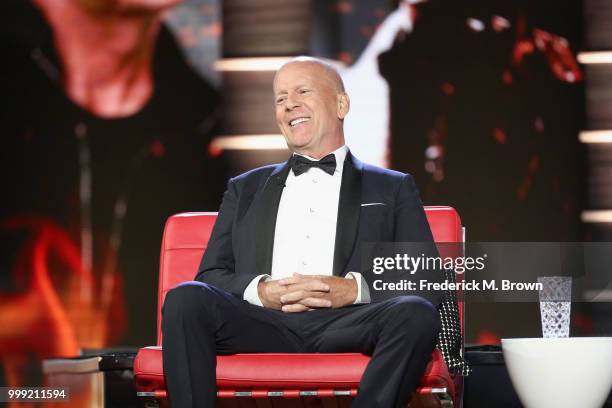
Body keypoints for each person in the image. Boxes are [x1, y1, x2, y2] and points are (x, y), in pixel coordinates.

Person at [162, 57, 466, 408]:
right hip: (262, 323)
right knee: (186, 299)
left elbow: (423, 280)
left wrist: (351, 290)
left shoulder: (391, 188)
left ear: (341, 104)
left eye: (302, 91)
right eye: (280, 98)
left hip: (348, 323)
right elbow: (212, 276)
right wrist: (262, 291)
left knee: (415, 313)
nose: (289, 104)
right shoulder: (244, 189)